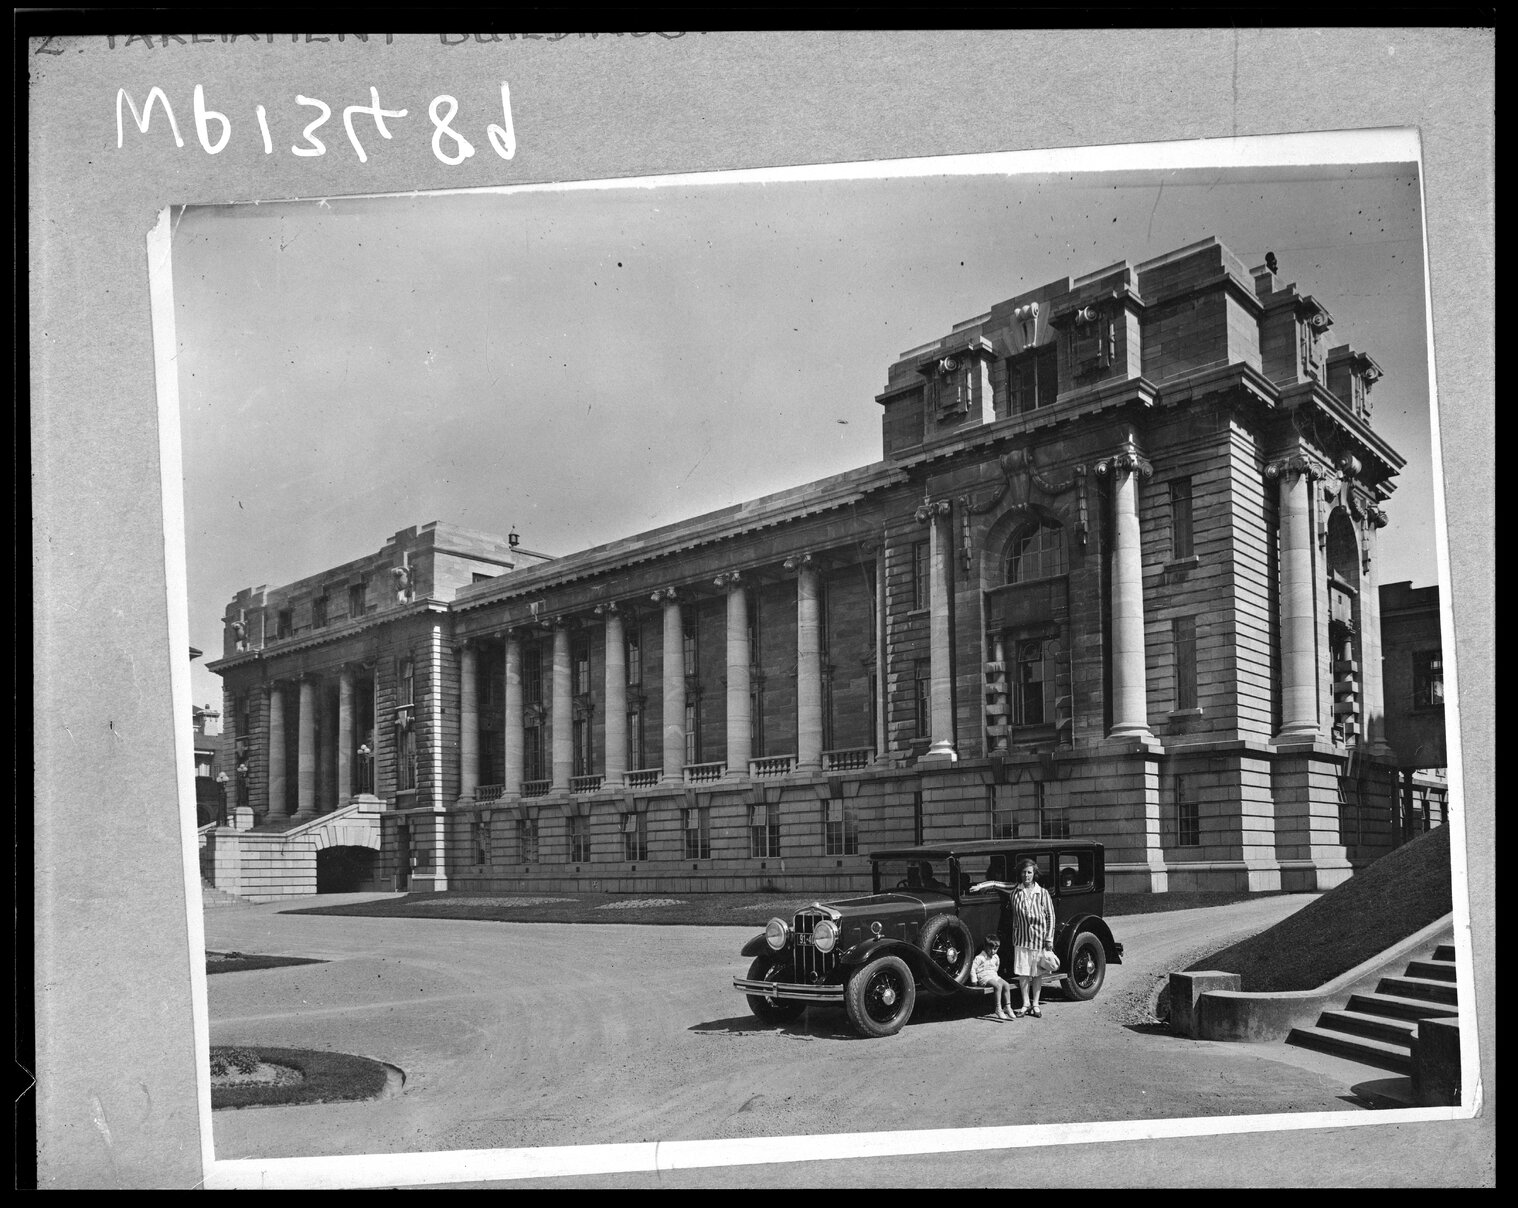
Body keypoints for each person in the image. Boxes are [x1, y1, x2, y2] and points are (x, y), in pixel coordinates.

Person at [1007, 858, 1056, 1017]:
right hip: (1021, 940)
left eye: (1029, 872)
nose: (1026, 876)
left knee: (1037, 974)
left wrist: (1049, 939)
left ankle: (1035, 1004)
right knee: (1023, 973)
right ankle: (1025, 1004)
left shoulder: (1042, 893)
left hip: (1039, 940)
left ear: (1034, 874)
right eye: (1023, 872)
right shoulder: (1015, 893)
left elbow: (1050, 916)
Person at [970, 935, 1016, 1020]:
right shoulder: (980, 957)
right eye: (990, 949)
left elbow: (996, 967)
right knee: (998, 986)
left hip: (993, 975)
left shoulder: (996, 957)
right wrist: (974, 980)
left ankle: (1007, 1006)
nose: (993, 951)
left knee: (1006, 985)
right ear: (985, 947)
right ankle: (998, 1008)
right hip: (984, 977)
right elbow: (972, 968)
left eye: (995, 949)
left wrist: (996, 976)